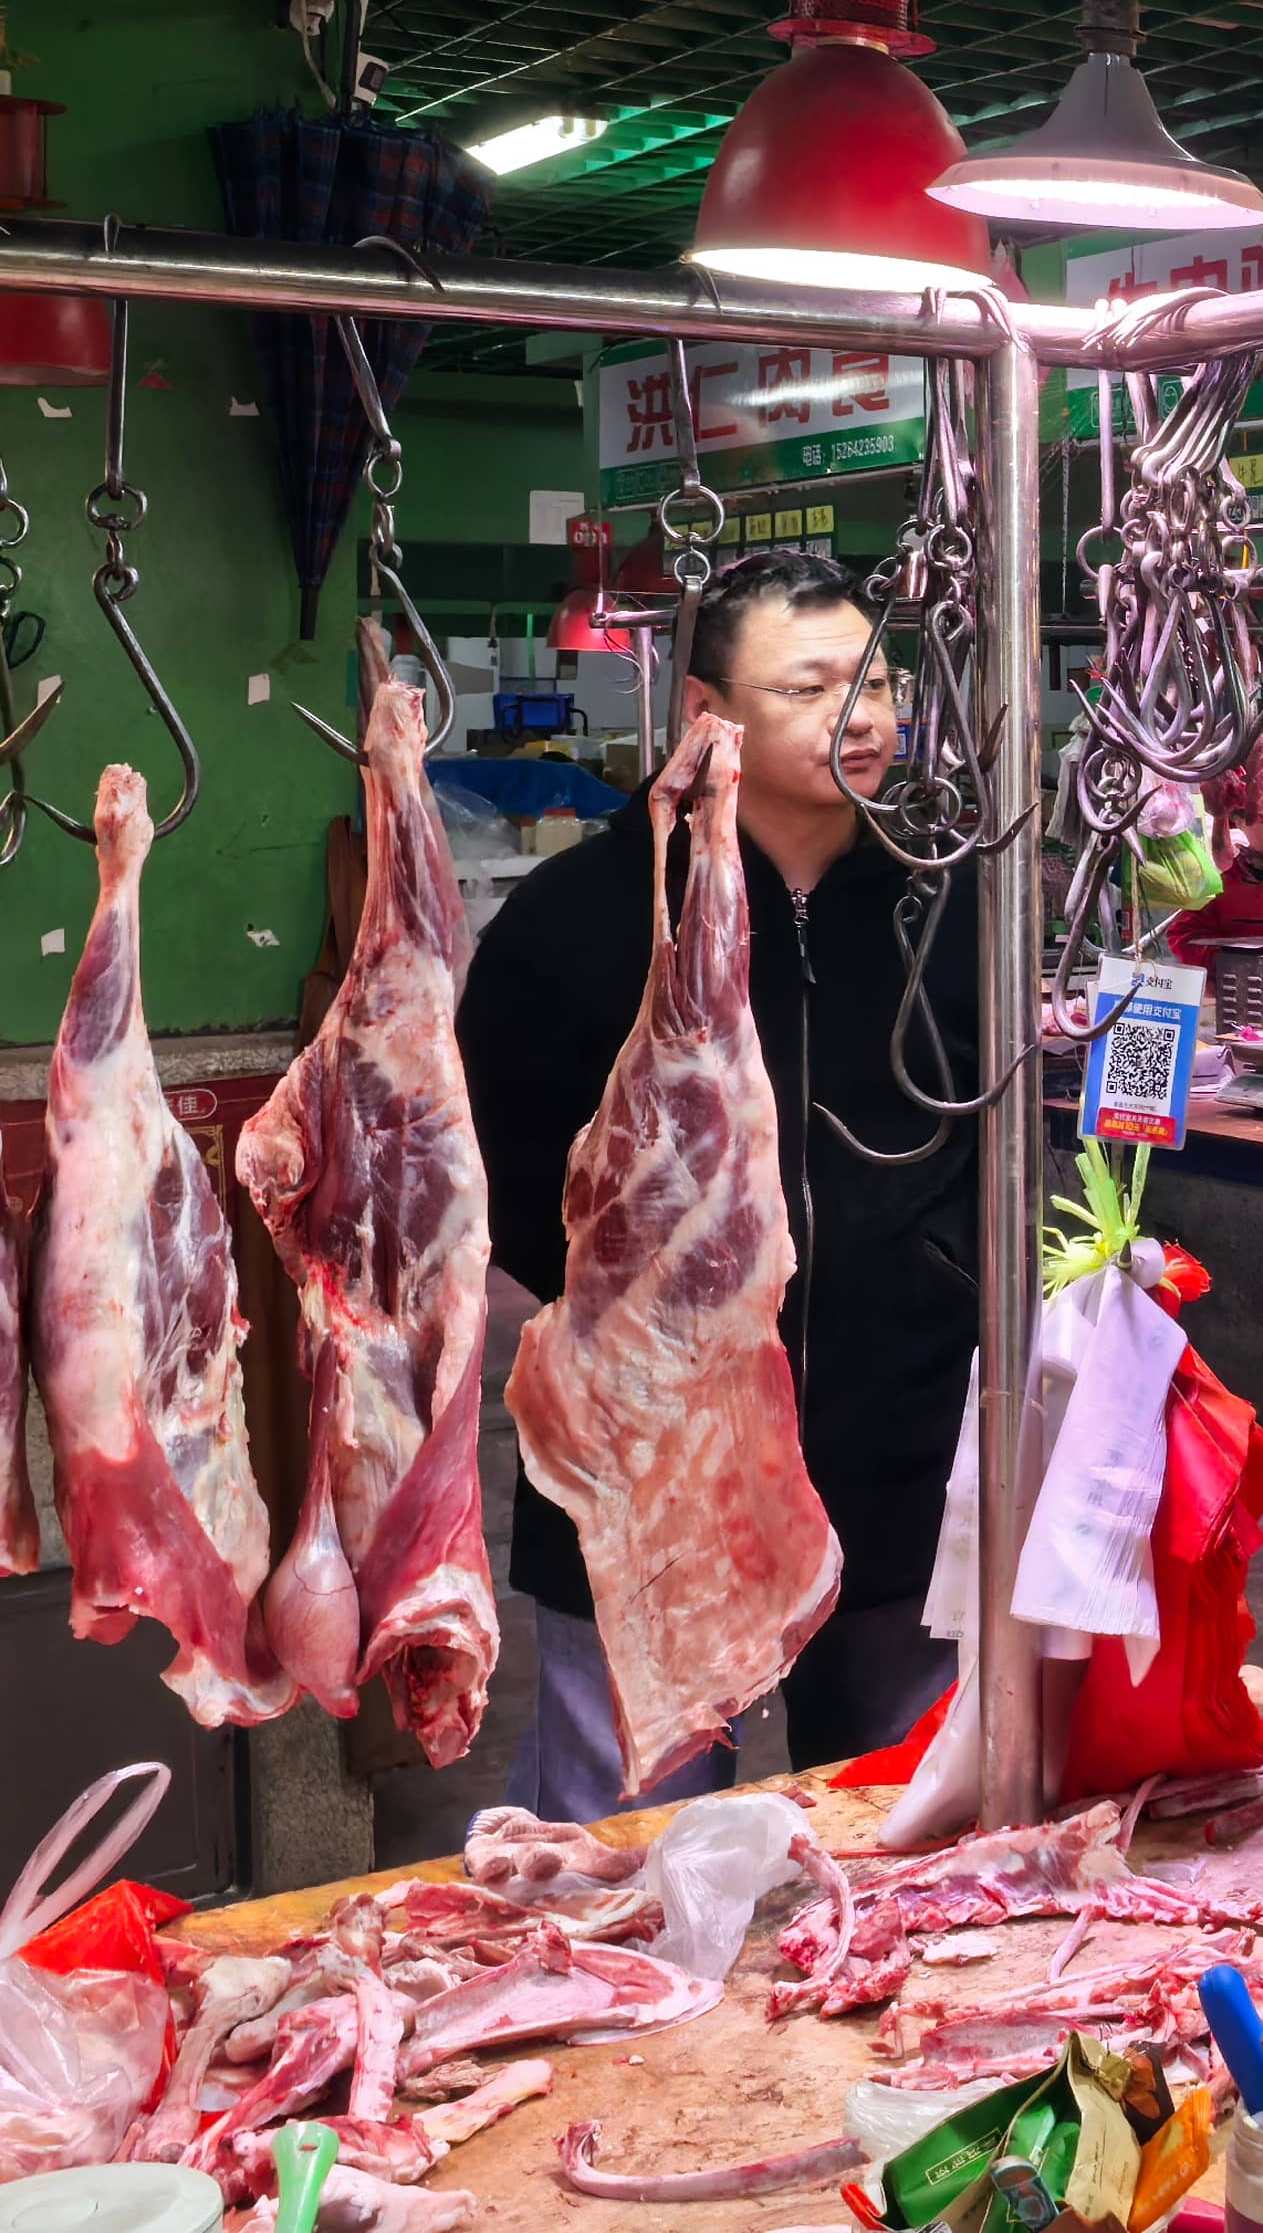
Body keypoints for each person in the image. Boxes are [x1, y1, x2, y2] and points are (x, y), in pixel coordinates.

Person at [463, 549, 983, 1820]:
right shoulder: (582, 912)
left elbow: (1004, 1137)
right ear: (708, 710)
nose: (859, 716)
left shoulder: (956, 899)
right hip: (642, 1465)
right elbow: (493, 1161)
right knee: (629, 1850)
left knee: (903, 1830)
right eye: (809, 688)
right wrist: (649, 1318)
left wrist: (939, 1281)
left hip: (897, 1450)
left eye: (875, 682)